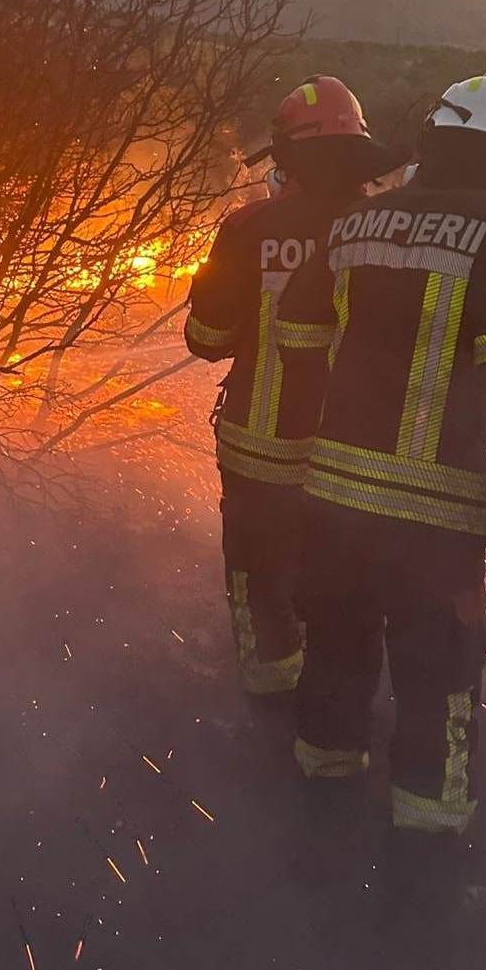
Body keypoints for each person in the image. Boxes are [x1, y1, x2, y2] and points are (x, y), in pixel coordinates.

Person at [277, 71, 486, 833]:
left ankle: (314, 829)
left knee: (334, 656)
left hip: (331, 497)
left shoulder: (354, 223)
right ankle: (428, 861)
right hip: (433, 517)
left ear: (435, 140)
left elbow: (297, 337)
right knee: (438, 682)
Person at [184, 77, 408, 696]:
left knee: (261, 576)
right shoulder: (389, 231)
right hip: (357, 455)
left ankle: (268, 698)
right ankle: (333, 714)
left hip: (262, 445)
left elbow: (206, 337)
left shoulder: (250, 227)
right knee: (341, 582)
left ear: (286, 155)